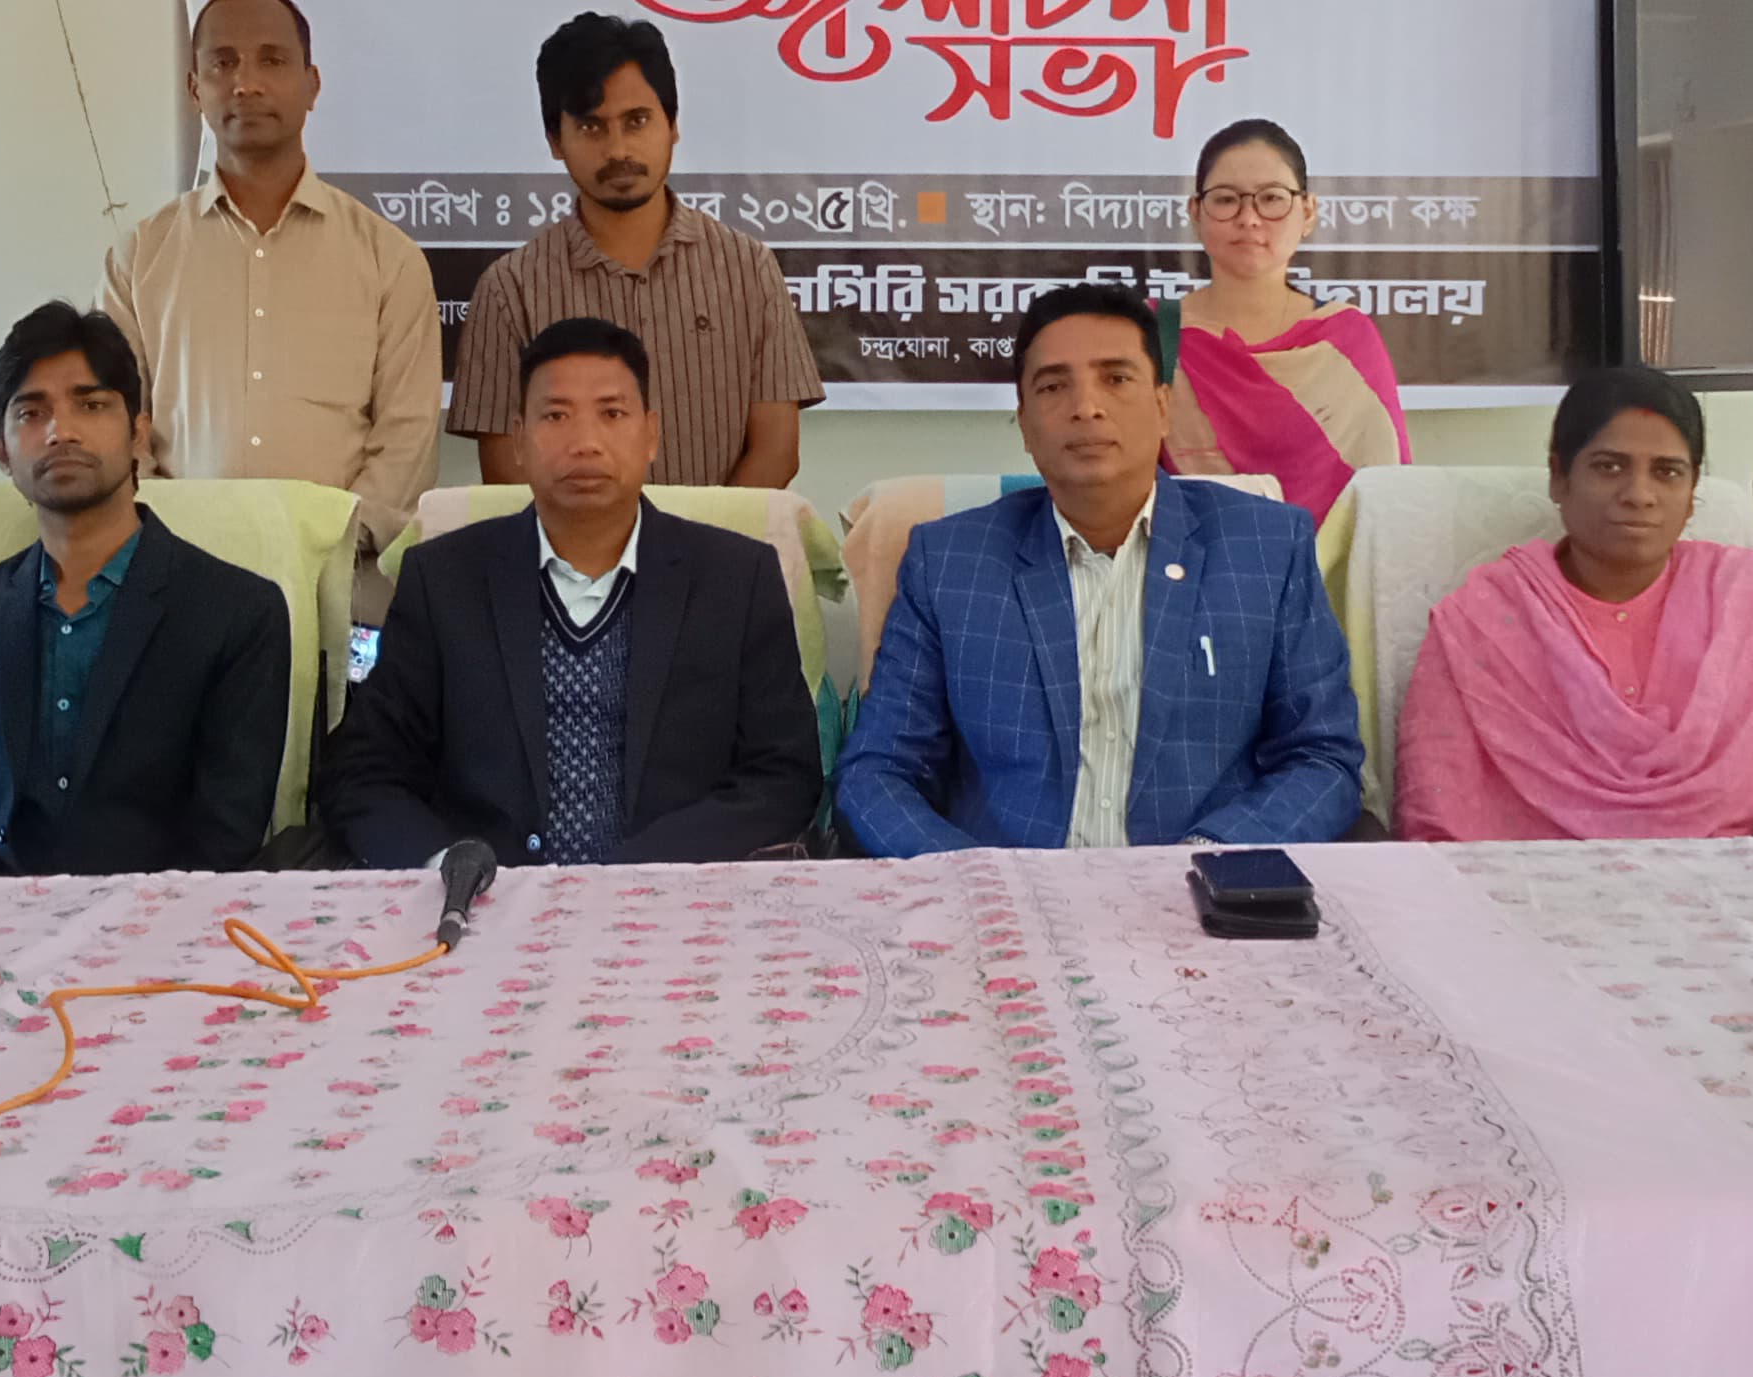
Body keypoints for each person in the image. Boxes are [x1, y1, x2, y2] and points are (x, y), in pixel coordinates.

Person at [835, 283, 1365, 854]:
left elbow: (1321, 759)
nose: (1086, 407)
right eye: (1053, 386)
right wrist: (972, 879)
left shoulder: (1265, 547)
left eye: (1115, 379)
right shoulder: (949, 561)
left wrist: (1210, 856)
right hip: (1004, 890)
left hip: (1201, 888)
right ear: (1023, 422)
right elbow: (876, 772)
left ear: (1163, 406)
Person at [322, 317, 821, 870]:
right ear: (518, 439)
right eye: (556, 416)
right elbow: (364, 770)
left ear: (651, 435)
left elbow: (784, 775)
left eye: (612, 414)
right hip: (488, 900)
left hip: (673, 896)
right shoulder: (444, 579)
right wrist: (449, 862)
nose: (585, 443)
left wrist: (646, 870)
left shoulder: (736, 579)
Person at [1396, 367, 1753, 840]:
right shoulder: (1479, 623)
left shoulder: (1752, 603)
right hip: (1531, 888)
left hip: (1736, 886)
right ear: (1559, 477)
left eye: (1667, 472)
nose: (1639, 494)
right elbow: (1436, 824)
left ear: (1692, 492)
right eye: (1609, 467)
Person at [0, 302, 292, 876]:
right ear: (1, 451)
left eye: (91, 404)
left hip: (169, 918)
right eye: (31, 412)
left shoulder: (237, 613)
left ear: (138, 433)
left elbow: (224, 837)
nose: (61, 431)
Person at [99, 0, 443, 575]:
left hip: (339, 585)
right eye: (223, 63)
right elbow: (115, 426)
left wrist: (322, 549)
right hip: (179, 583)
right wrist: (173, 549)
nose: (246, 83)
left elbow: (406, 439)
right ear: (194, 88)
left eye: (273, 60)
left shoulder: (387, 258)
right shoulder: (140, 258)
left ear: (312, 85)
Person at [451, 13, 822, 491]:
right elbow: (508, 472)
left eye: (637, 121)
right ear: (555, 141)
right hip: (566, 543)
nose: (618, 149)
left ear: (673, 125)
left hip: (722, 541)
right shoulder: (511, 290)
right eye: (591, 127)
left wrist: (697, 539)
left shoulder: (748, 268)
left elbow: (776, 452)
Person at [1164, 118, 1408, 519]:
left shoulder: (1345, 338)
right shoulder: (1153, 334)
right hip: (1185, 556)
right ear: (1195, 211)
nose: (1249, 218)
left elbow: (1387, 496)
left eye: (1272, 198)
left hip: (1325, 560)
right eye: (1225, 200)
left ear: (1308, 212)